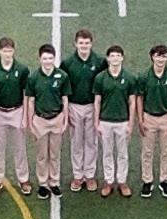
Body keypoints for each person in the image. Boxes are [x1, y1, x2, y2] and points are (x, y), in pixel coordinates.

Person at [0, 37, 32, 195]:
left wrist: (25, 116)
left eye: (10, 51)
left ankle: (23, 179)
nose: (7, 54)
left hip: (17, 111)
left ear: (14, 51)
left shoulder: (22, 69)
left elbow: (26, 94)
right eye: (5, 51)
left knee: (20, 148)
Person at [61, 27, 104, 192]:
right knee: (76, 142)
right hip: (74, 106)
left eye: (86, 43)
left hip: (92, 106)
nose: (84, 46)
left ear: (91, 44)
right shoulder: (67, 63)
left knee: (91, 141)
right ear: (75, 44)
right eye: (81, 43)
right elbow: (63, 89)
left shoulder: (99, 62)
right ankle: (78, 175)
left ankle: (90, 175)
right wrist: (66, 111)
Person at [24, 42, 69, 197]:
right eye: (45, 58)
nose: (48, 61)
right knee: (42, 155)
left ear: (54, 58)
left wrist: (65, 119)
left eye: (50, 58)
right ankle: (43, 183)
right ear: (39, 59)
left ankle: (54, 182)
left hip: (56, 118)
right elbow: (30, 101)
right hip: (40, 120)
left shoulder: (62, 76)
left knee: (55, 154)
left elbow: (65, 99)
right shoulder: (33, 77)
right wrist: (30, 122)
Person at [137, 44, 167, 199]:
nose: (161, 59)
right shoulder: (144, 76)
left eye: (164, 56)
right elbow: (139, 98)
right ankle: (147, 181)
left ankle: (164, 180)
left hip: (166, 117)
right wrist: (140, 119)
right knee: (147, 151)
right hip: (148, 117)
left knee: (166, 151)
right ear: (152, 57)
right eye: (158, 56)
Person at [91, 44, 135, 197]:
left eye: (118, 56)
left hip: (123, 121)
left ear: (122, 58)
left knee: (122, 153)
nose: (115, 58)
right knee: (107, 153)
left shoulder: (129, 78)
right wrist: (96, 122)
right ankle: (108, 181)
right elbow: (97, 101)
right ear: (108, 59)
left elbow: (132, 102)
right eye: (112, 56)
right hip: (105, 121)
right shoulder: (100, 78)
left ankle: (122, 181)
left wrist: (131, 123)